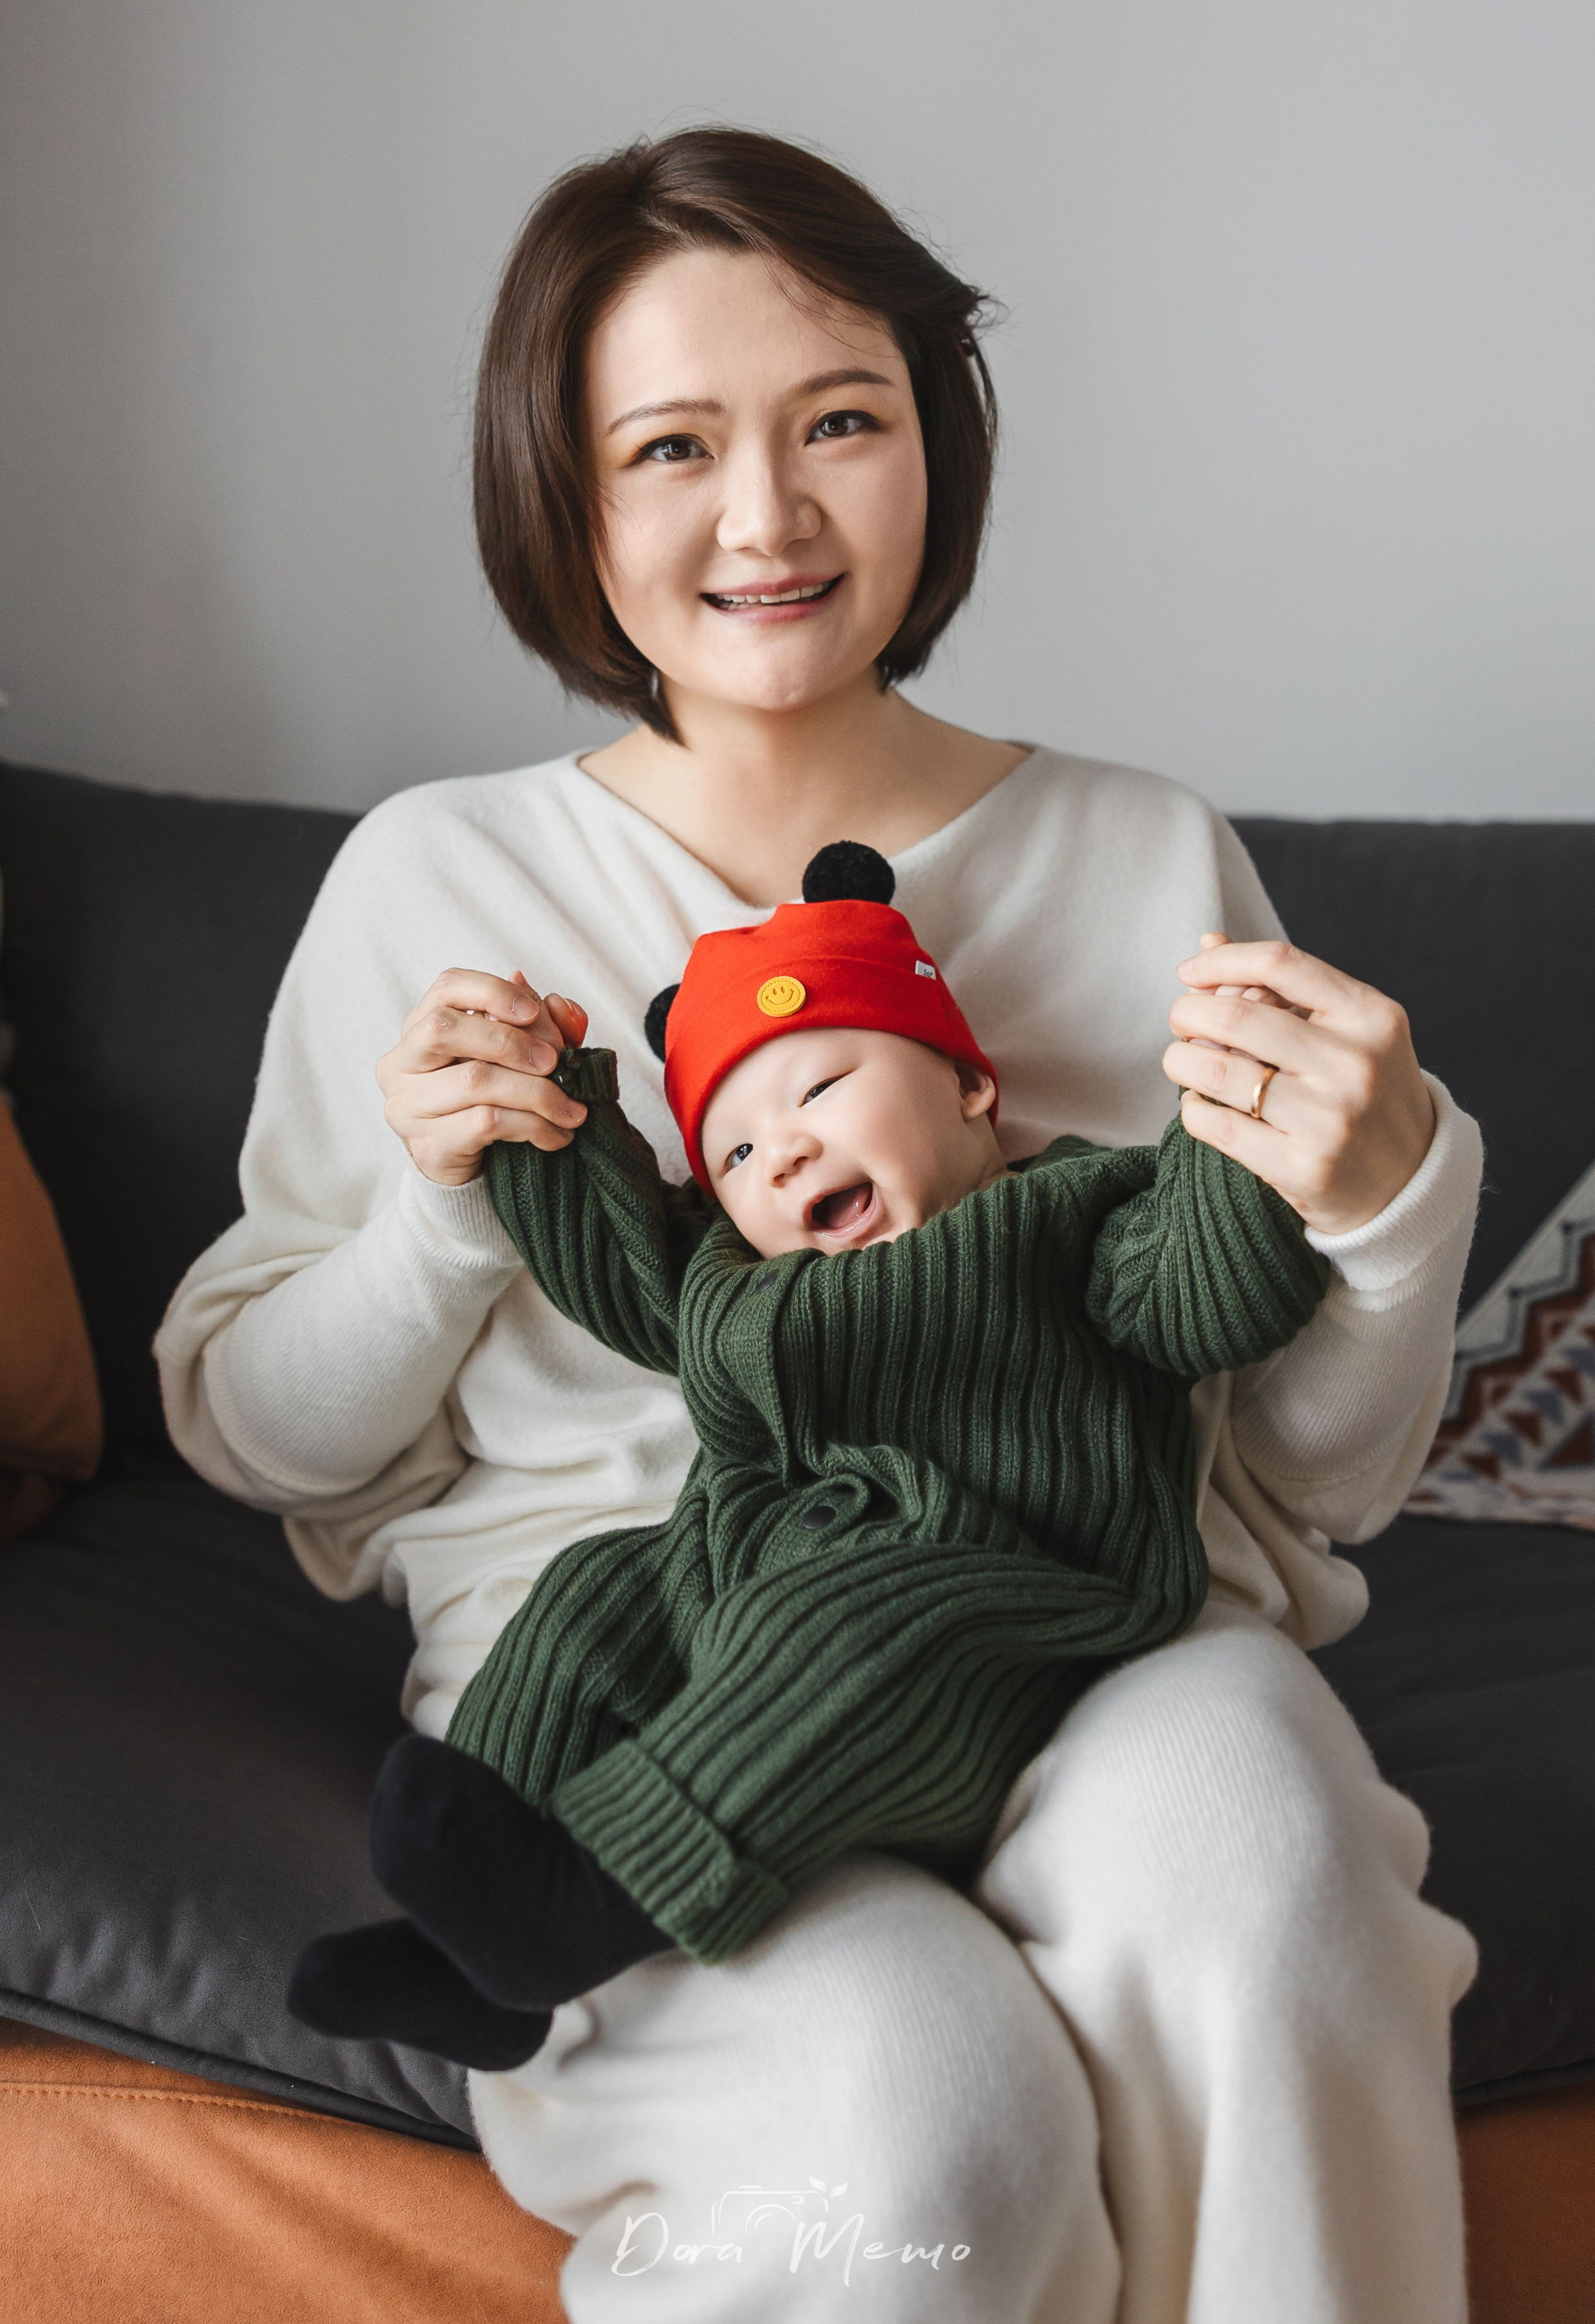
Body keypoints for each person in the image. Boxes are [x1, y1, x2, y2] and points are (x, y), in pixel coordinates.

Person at [157, 126, 1484, 2324]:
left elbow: (1314, 1474)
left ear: (932, 453)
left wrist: (1382, 1206)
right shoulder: (436, 883)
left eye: (839, 423)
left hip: (1096, 1631)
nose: (765, 521)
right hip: (667, 1696)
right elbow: (268, 1440)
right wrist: (446, 1216)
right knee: (923, 2125)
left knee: (1266, 1868)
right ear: (564, 497)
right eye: (670, 447)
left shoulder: (1143, 851)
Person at [287, 842, 1333, 2066]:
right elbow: (616, 1264)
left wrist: (1231, 1123)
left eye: (823, 1088)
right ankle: (477, 1961)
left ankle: (591, 1895)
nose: (777, 1152)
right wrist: (543, 1110)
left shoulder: (1068, 1215)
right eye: (732, 1152)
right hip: (741, 1568)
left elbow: (1218, 1297)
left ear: (968, 1087)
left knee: (847, 1625)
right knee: (592, 1597)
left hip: (996, 1590)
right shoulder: (732, 1279)